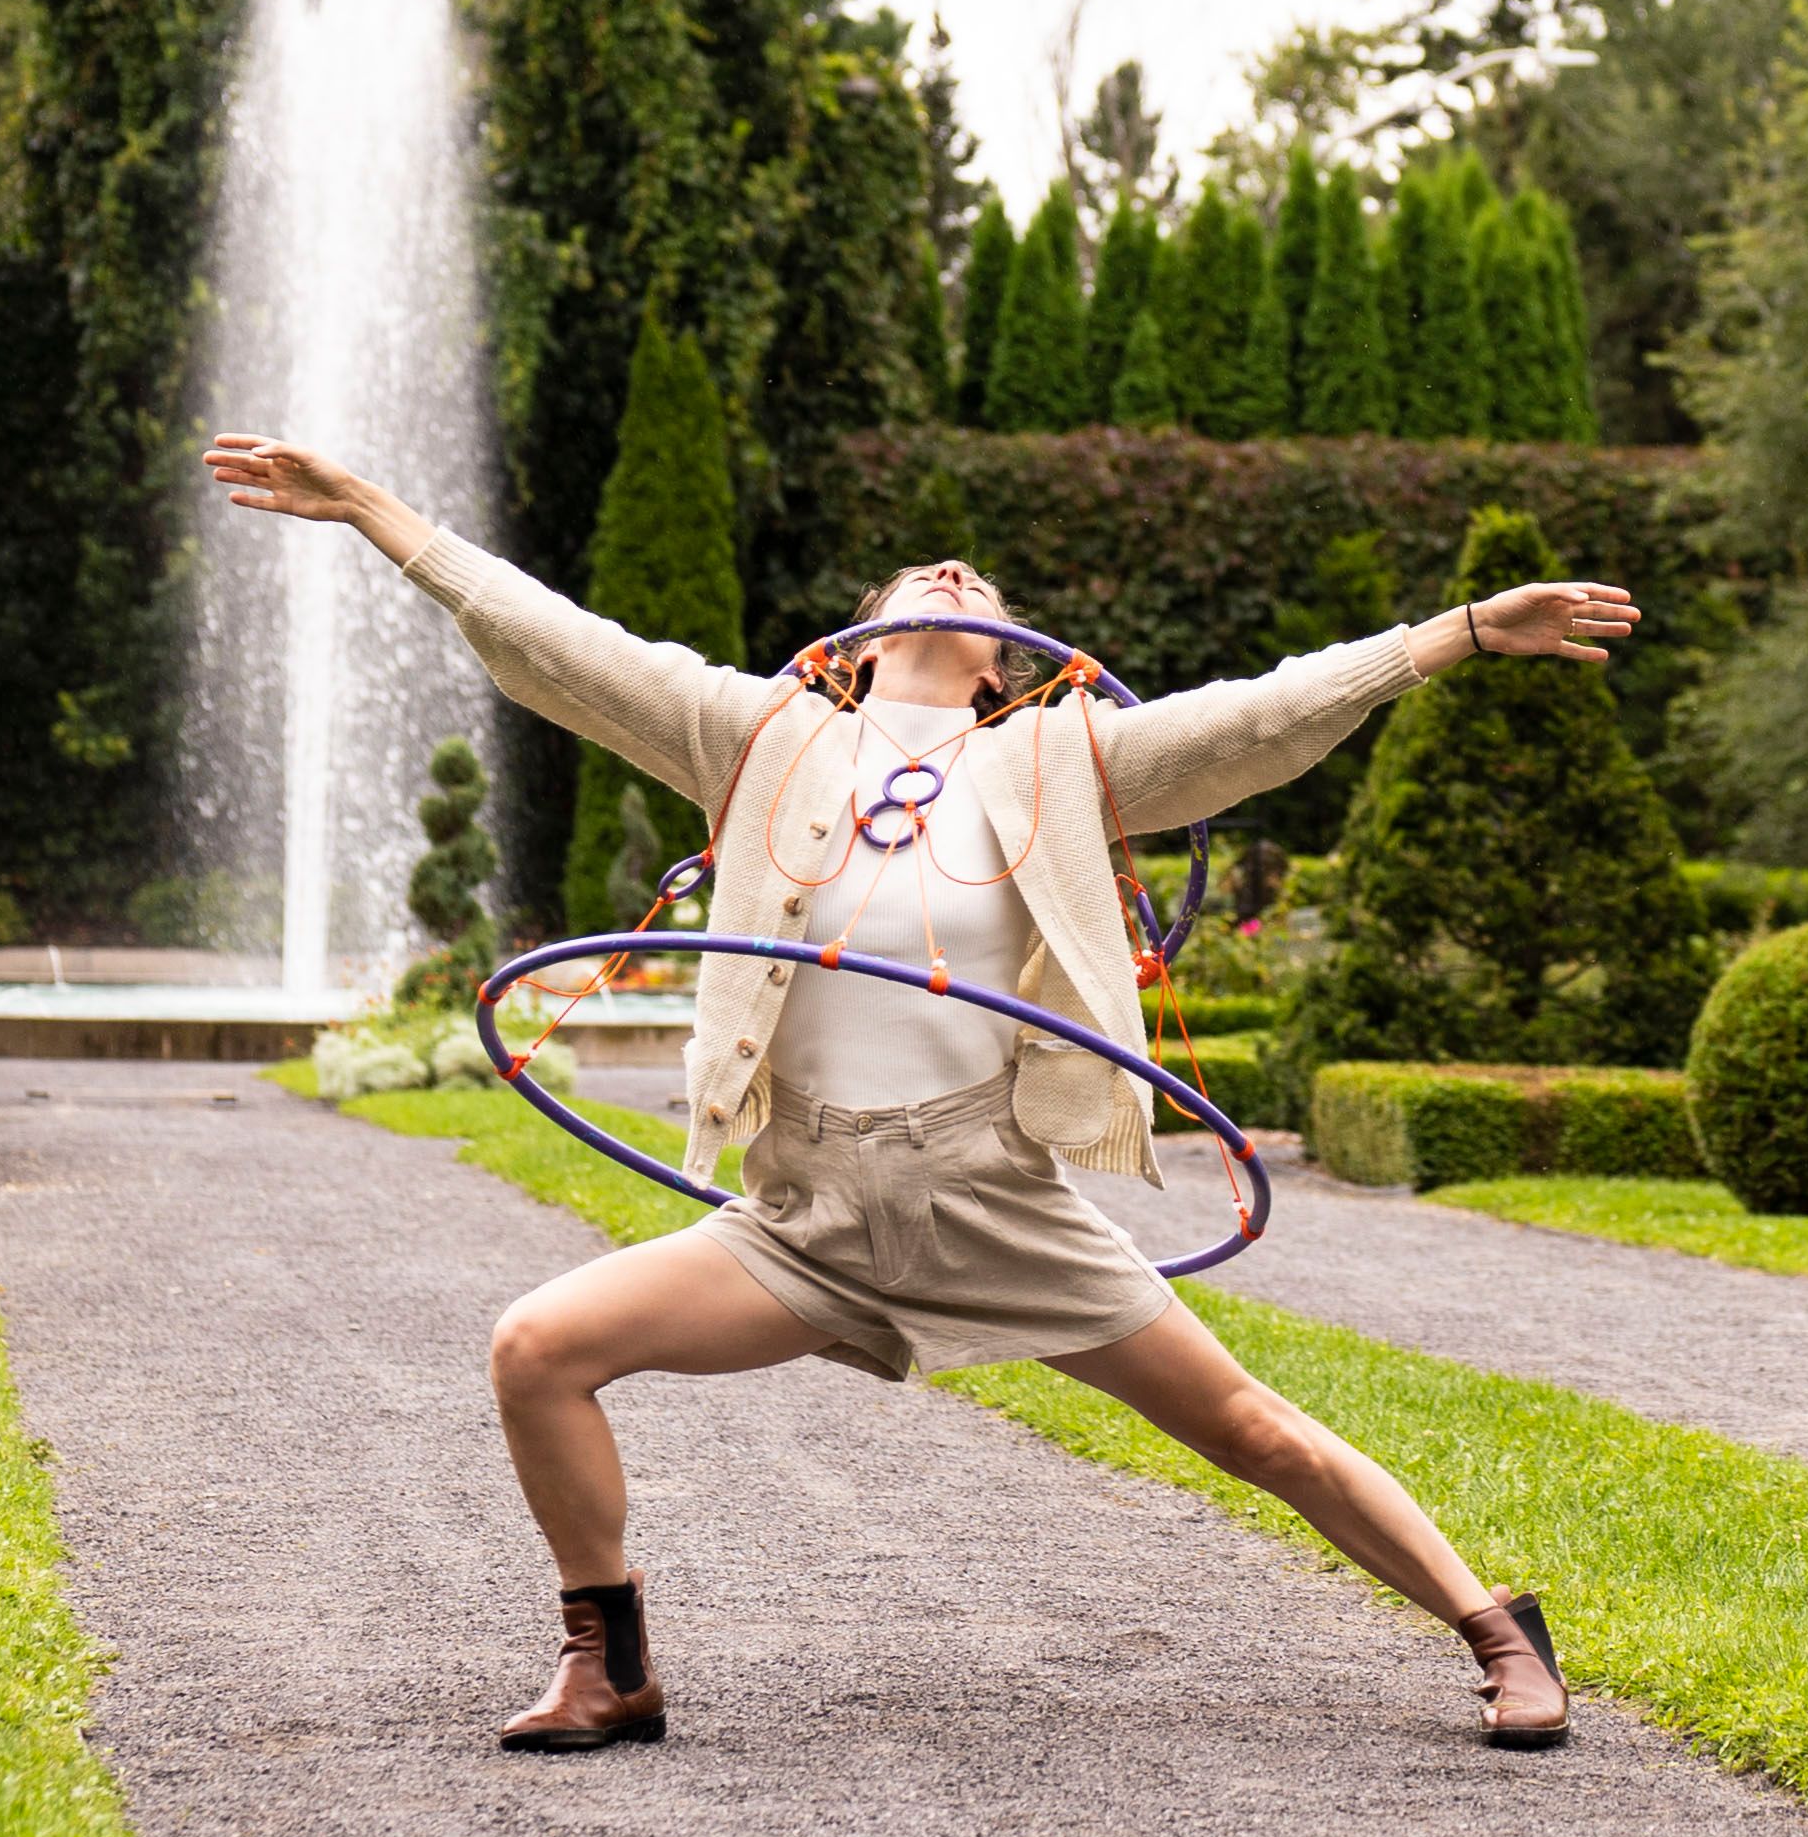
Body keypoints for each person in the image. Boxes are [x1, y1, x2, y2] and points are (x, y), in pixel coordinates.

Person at [202, 437, 1636, 1755]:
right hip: (805, 1217)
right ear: (864, 636)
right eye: (920, 572)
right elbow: (558, 645)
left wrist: (1458, 632)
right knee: (535, 1349)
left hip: (991, 1200)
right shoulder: (756, 738)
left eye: (978, 581)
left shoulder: (1067, 759)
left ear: (1006, 659)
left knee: (1253, 1433)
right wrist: (375, 511)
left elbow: (1265, 718)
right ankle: (608, 1660)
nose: (951, 571)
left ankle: (1497, 1631)